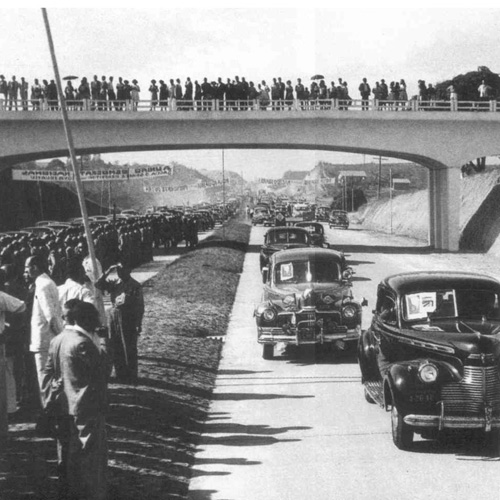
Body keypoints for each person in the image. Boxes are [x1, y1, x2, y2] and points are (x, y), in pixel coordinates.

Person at [42, 299, 108, 500]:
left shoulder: (59, 339)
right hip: (84, 407)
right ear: (86, 320)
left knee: (65, 455)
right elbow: (103, 371)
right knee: (90, 459)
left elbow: (47, 372)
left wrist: (48, 401)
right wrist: (104, 344)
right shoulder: (83, 344)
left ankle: (67, 492)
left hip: (62, 407)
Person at [96, 263, 144, 383]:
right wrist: (107, 271)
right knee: (115, 344)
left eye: (122, 270)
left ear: (129, 270)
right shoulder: (115, 283)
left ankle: (131, 375)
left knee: (129, 346)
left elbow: (139, 306)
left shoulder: (135, 285)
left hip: (128, 317)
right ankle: (120, 374)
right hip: (113, 316)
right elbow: (98, 284)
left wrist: (138, 323)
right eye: (118, 271)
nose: (120, 273)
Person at [25, 255, 63, 394]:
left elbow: (51, 316)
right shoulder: (45, 282)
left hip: (45, 339)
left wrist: (61, 336)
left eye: (26, 268)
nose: (25, 272)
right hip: (47, 338)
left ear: (34, 268)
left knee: (45, 380)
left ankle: (49, 411)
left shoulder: (43, 285)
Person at [0, 269, 27, 415]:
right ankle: (9, 408)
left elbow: (20, 306)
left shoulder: (2, 296)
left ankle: (9, 408)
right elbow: (21, 306)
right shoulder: (2, 296)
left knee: (6, 373)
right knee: (6, 374)